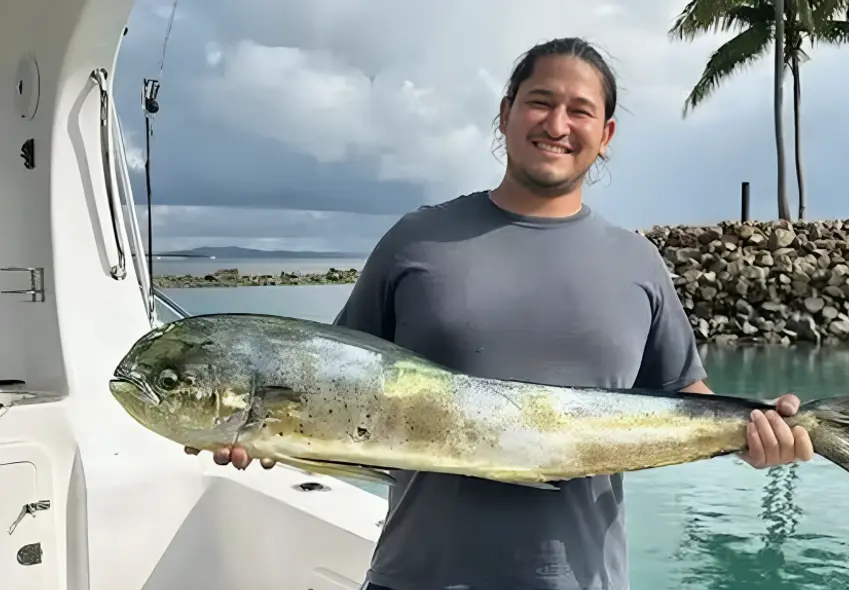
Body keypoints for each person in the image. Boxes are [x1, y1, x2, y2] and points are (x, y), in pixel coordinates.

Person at [187, 37, 815, 590]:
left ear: (606, 134)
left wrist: (755, 435)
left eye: (581, 110)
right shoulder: (416, 241)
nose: (557, 123)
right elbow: (329, 383)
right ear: (506, 112)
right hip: (415, 576)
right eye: (540, 101)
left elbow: (687, 397)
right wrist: (261, 431)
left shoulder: (639, 263)